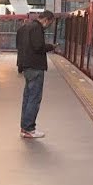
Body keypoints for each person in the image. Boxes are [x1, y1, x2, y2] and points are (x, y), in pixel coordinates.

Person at [16, 10, 55, 139]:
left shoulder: (25, 27)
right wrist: (50, 46)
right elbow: (38, 47)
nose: (49, 25)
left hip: (27, 67)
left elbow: (20, 46)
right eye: (50, 23)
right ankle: (29, 129)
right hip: (35, 67)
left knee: (27, 98)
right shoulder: (37, 29)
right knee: (34, 98)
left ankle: (24, 127)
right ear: (46, 20)